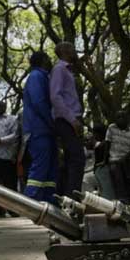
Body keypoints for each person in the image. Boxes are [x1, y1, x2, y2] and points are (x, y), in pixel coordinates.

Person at [49, 42, 85, 197]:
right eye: (71, 48)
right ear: (64, 51)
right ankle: (72, 197)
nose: (74, 51)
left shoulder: (69, 70)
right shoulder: (59, 69)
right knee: (77, 158)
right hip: (66, 120)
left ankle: (64, 196)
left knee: (70, 159)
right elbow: (55, 96)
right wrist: (73, 120)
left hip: (70, 119)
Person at [22, 51, 56, 203]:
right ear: (43, 60)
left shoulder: (43, 77)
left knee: (49, 168)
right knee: (40, 166)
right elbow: (39, 102)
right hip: (39, 129)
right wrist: (52, 122)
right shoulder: (36, 76)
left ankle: (48, 200)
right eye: (48, 58)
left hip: (46, 130)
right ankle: (31, 200)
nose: (51, 62)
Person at [106, 112, 130, 204]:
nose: (120, 119)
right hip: (114, 158)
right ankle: (123, 200)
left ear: (127, 119)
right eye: (118, 117)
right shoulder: (111, 128)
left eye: (122, 117)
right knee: (118, 180)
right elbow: (108, 143)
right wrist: (105, 159)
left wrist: (125, 158)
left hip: (129, 158)